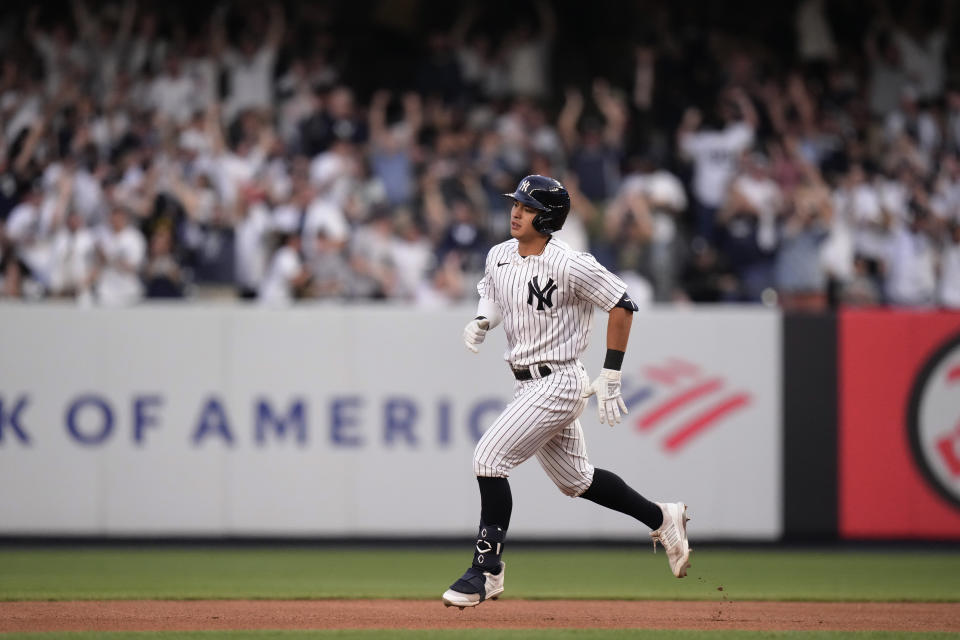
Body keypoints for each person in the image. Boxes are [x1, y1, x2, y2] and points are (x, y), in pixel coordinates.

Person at [442, 175, 691, 610]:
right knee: (577, 481)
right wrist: (483, 321)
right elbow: (491, 292)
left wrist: (611, 373)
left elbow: (622, 302)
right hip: (526, 383)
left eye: (527, 206)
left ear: (549, 215)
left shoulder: (570, 263)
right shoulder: (499, 254)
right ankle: (662, 517)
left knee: (488, 458)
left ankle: (486, 570)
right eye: (515, 204)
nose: (516, 211)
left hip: (559, 379)